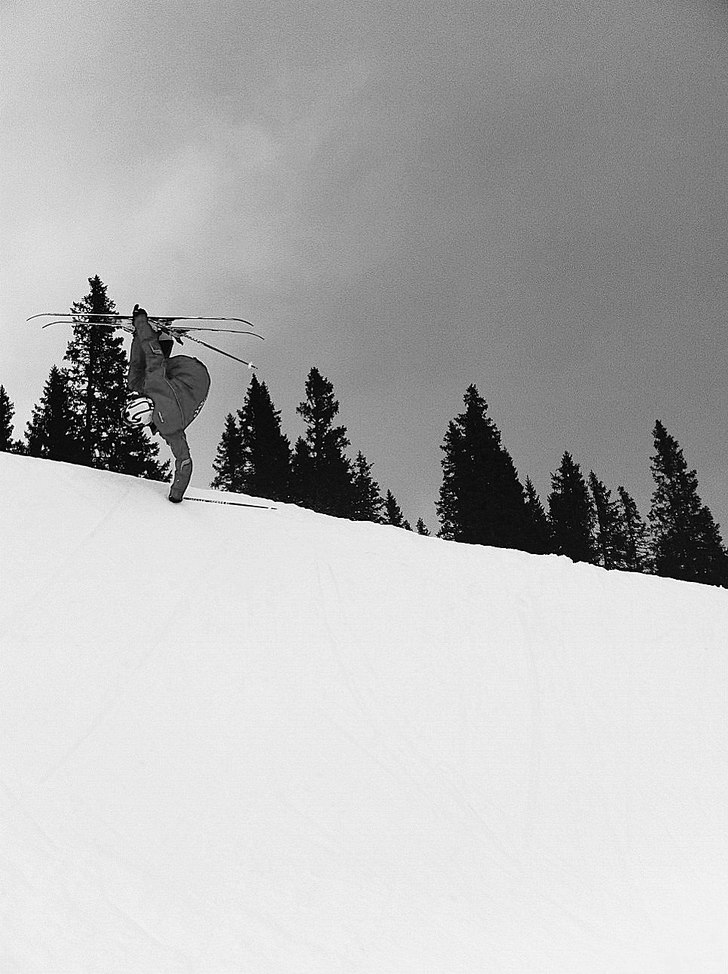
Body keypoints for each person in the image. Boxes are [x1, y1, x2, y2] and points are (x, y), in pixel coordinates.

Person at [125, 304, 210, 502]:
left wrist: (176, 494)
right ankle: (162, 336)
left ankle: (152, 334)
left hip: (196, 390)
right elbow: (153, 353)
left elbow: (185, 461)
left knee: (143, 376)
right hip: (190, 371)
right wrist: (140, 325)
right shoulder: (154, 385)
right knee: (141, 375)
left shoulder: (170, 431)